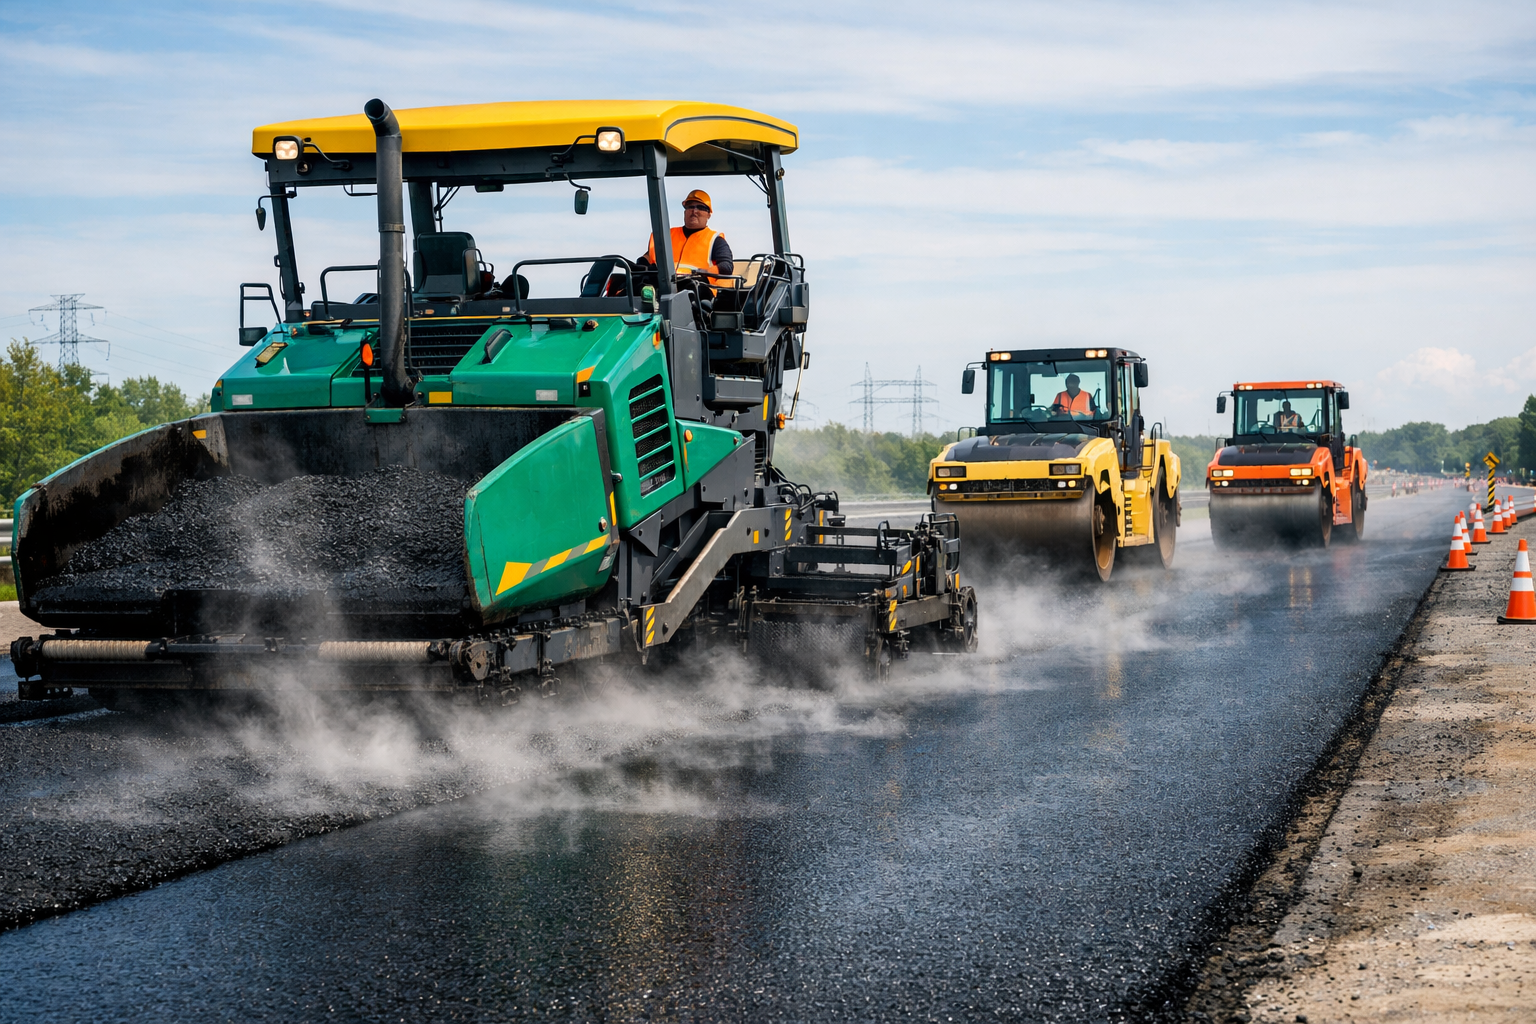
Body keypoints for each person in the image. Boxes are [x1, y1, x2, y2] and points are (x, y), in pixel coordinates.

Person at [638, 189, 734, 287]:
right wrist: (639, 266)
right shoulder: (666, 235)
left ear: (708, 214)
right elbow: (648, 257)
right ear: (685, 212)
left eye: (700, 207)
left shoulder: (715, 240)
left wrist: (705, 274)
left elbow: (726, 266)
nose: (694, 211)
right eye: (690, 207)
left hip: (697, 290)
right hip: (660, 286)